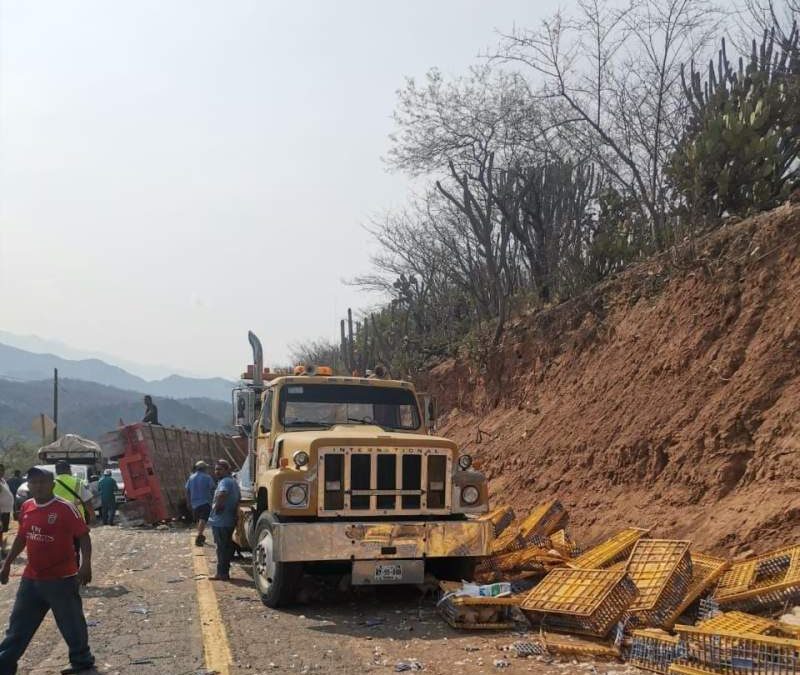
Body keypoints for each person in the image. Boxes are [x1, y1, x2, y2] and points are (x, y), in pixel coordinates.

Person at [0, 466, 95, 675]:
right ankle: (4, 665)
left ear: (52, 484)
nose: (38, 486)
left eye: (42, 482)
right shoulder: (26, 507)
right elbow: (21, 537)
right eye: (34, 482)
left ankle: (82, 663)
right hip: (31, 579)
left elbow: (83, 536)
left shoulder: (65, 508)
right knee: (18, 627)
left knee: (72, 625)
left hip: (61, 579)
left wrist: (86, 564)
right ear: (29, 485)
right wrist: (7, 564)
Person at [208, 459, 240, 581]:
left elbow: (222, 495)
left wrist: (217, 507)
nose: (217, 471)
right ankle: (224, 572)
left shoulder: (225, 482)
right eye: (216, 469)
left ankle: (221, 573)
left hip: (221, 522)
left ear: (227, 470)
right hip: (228, 520)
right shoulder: (232, 481)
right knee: (225, 548)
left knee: (221, 549)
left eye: (220, 469)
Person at [185, 461, 214, 547]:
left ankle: (200, 535)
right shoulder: (207, 477)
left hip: (194, 503)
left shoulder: (191, 478)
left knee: (199, 520)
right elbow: (212, 488)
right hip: (205, 501)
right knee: (203, 519)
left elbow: (187, 491)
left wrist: (188, 502)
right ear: (204, 468)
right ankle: (199, 535)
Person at [0, 465, 13, 558]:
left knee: (2, 531)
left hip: (5, 511)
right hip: (1, 511)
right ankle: (1, 551)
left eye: (2, 470)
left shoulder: (3, 481)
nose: (2, 472)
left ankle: (2, 549)